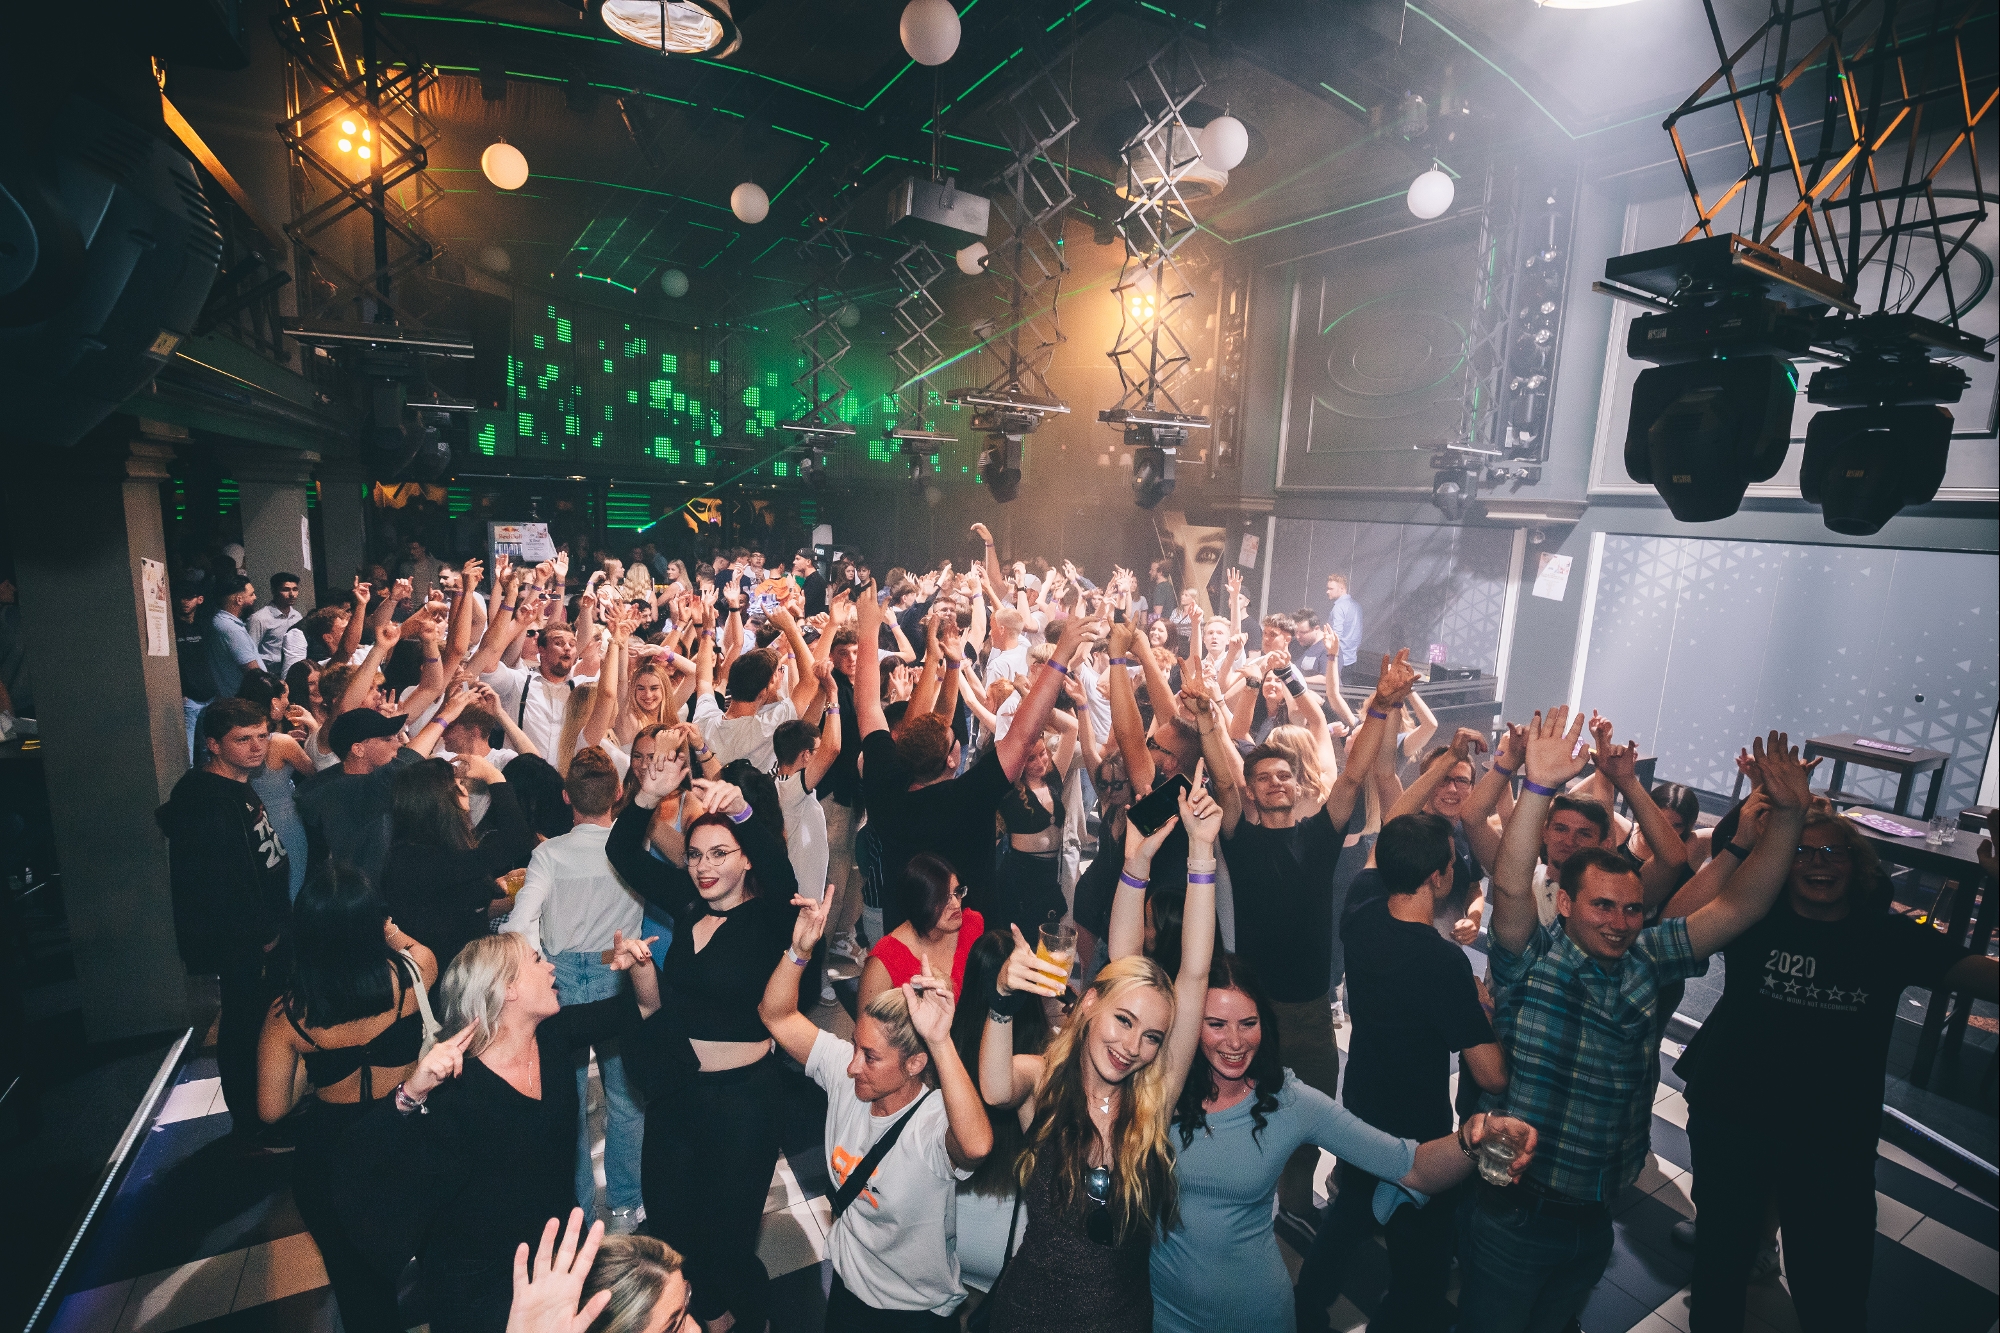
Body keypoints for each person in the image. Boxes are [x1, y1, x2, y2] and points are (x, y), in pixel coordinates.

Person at [1456, 715, 1813, 1333]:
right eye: (1602, 906)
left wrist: (1788, 818)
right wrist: (1536, 786)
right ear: (1566, 904)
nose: (1619, 922)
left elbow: (1742, 904)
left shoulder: (1648, 955)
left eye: (1630, 909)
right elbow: (1511, 886)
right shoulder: (1531, 960)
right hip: (1517, 1205)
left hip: (1596, 1209)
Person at [1668, 804, 1999, 1333]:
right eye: (1800, 851)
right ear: (1779, 864)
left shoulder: (1889, 937)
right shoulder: (1753, 919)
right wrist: (1742, 843)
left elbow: (1988, 978)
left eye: (1832, 851)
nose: (1818, 862)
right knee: (1718, 1273)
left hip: (1833, 1141)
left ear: (1857, 865)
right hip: (1732, 1118)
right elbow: (1671, 932)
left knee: (1833, 1294)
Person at [1151, 949, 1534, 1333]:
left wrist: (1472, 1138)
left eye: (1248, 1023)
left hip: (1252, 1316)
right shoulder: (1156, 1091)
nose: (1235, 1041)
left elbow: (1414, 1167)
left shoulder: (1288, 1101)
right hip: (1160, 1312)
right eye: (1216, 1024)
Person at [972, 781, 1220, 1333]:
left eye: (1152, 1037)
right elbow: (994, 1088)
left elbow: (1195, 973)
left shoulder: (1153, 1096)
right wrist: (1001, 1003)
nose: (1133, 1047)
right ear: (1087, 1005)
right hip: (1028, 1319)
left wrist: (1201, 850)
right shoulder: (1045, 1080)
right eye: (1123, 1022)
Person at [341, 929, 659, 1333]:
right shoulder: (456, 1084)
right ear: (507, 989)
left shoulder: (554, 1036)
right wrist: (412, 1092)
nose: (550, 967)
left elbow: (644, 1006)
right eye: (536, 960)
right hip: (479, 1281)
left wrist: (640, 965)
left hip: (555, 1254)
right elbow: (358, 1159)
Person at [1202, 649, 1419, 1219]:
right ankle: (1244, 1208)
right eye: (1263, 777)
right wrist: (1207, 719)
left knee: (1310, 1124)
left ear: (1298, 785)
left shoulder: (1321, 835)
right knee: (1243, 1116)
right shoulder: (1240, 839)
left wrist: (1382, 705)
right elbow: (1223, 776)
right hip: (1253, 1010)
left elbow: (1353, 774)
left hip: (1312, 1011)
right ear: (1252, 791)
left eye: (1284, 775)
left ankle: (1296, 1210)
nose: (1275, 782)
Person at [1294, 810, 1510, 1333]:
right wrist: (1484, 1012)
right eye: (1451, 863)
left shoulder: (1360, 910)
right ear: (1438, 876)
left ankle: (1305, 1309)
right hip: (1418, 1124)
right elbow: (1492, 1075)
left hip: (1362, 1099)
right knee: (1425, 1262)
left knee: (1350, 1212)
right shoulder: (1442, 963)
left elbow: (1376, 853)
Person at [603, 764, 799, 1333]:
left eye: (720, 854)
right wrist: (647, 795)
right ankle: (703, 1313)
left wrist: (743, 812)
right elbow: (622, 851)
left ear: (746, 859)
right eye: (694, 855)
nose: (704, 868)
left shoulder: (770, 916)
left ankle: (733, 1317)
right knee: (668, 1225)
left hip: (742, 1105)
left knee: (727, 1240)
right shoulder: (689, 902)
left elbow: (783, 875)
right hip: (677, 1091)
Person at [761, 892, 995, 1330]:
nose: (852, 1066)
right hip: (847, 1290)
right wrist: (798, 950)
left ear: (915, 1063)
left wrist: (940, 1040)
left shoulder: (933, 1122)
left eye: (870, 1057)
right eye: (856, 1047)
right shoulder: (847, 1075)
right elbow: (776, 1015)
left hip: (913, 1312)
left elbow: (977, 1146)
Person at [256, 865, 438, 1333]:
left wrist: (312, 1070)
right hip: (409, 1136)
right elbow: (415, 947)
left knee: (360, 1292)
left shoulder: (288, 1013)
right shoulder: (413, 975)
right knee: (436, 1258)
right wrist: (390, 930)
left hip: (332, 1155)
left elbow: (271, 1109)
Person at [855, 583, 1098, 930]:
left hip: (906, 934)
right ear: (952, 759)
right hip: (967, 941)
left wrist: (867, 632)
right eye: (953, 737)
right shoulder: (967, 796)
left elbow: (867, 707)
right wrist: (1060, 655)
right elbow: (1024, 735)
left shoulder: (886, 785)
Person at [504, 748, 650, 1232]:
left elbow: (519, 924)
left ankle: (581, 1215)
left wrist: (544, 961)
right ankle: (626, 1205)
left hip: (562, 981)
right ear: (618, 794)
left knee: (569, 1106)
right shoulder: (631, 849)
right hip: (618, 970)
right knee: (625, 1100)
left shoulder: (549, 854)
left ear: (567, 798)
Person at [156, 697, 292, 1139]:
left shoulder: (234, 785)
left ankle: (267, 1112)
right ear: (213, 744)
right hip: (245, 939)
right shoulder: (209, 802)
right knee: (246, 1028)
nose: (257, 747)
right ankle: (252, 1128)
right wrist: (263, 933)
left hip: (260, 932)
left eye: (262, 736)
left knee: (260, 1023)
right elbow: (222, 883)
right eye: (243, 739)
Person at [382, 720, 533, 974]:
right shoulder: (424, 860)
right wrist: (493, 776)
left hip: (459, 969)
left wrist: (498, 888)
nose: (466, 791)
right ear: (440, 800)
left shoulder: (419, 851)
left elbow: (459, 910)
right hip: (446, 977)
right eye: (460, 785)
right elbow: (516, 840)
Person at [296, 683, 451, 886]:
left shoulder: (343, 780)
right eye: (387, 739)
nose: (397, 744)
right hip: (359, 895)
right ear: (358, 749)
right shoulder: (351, 790)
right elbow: (409, 758)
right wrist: (445, 717)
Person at [860, 854, 985, 1007]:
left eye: (957, 892)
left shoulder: (971, 925)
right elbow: (866, 1021)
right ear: (920, 904)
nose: (956, 904)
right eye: (943, 898)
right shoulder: (884, 961)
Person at [174, 572, 216, 763]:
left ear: (199, 599)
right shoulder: (173, 627)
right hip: (189, 696)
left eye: (189, 597)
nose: (184, 601)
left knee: (209, 748)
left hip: (209, 693)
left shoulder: (204, 626)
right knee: (188, 753)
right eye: (181, 597)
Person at [205, 571, 263, 699]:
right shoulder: (231, 629)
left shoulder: (222, 622)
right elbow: (253, 672)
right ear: (239, 599)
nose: (255, 597)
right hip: (244, 699)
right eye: (251, 594)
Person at [249, 572, 306, 676]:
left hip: (294, 672)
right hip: (271, 674)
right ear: (274, 591)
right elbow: (250, 652)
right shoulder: (260, 618)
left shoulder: (297, 616)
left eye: (295, 589)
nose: (292, 594)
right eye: (286, 590)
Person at [1324, 574, 1360, 669]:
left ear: (1342, 589)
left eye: (1331, 589)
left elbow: (1336, 636)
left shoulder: (1338, 608)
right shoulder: (1357, 606)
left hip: (1338, 660)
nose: (1327, 591)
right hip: (1352, 658)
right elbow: (1358, 634)